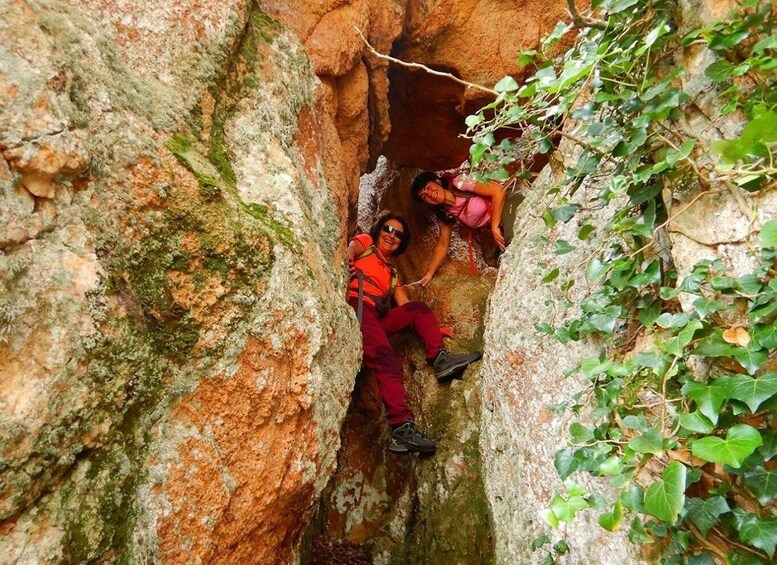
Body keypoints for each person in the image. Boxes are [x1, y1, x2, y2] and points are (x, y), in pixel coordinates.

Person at [347, 212, 481, 454]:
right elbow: (352, 246)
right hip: (357, 308)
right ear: (378, 230)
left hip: (376, 318)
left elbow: (405, 306)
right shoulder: (366, 244)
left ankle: (441, 360)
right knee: (387, 361)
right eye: (388, 229)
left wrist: (431, 328)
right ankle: (401, 428)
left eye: (398, 234)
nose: (392, 236)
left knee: (418, 309)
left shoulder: (392, 273)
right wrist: (347, 257)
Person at [411, 171, 508, 286]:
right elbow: (443, 244)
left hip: (509, 204)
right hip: (501, 226)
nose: (429, 194)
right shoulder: (446, 213)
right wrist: (429, 274)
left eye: (428, 187)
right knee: (503, 259)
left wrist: (494, 226)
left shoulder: (460, 182)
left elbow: (498, 191)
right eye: (424, 196)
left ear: (437, 181)